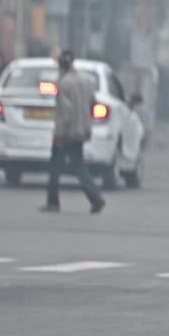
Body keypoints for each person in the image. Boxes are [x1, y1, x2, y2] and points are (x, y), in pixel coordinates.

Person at [41, 50, 105, 214]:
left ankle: (53, 201)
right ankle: (95, 197)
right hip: (81, 131)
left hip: (66, 132)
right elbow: (93, 104)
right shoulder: (86, 81)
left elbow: (65, 112)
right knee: (78, 165)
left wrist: (58, 135)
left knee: (56, 166)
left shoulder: (63, 84)